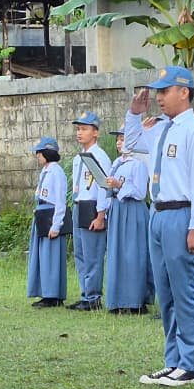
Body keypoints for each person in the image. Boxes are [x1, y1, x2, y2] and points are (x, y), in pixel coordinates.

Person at [125, 66, 194, 387]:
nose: (159, 98)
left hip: (182, 214)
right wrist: (135, 114)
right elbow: (131, 143)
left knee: (184, 291)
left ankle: (190, 364)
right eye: (157, 92)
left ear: (184, 92)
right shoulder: (164, 128)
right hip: (159, 215)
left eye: (165, 92)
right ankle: (173, 360)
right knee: (166, 293)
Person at [103, 128, 151, 314]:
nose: (119, 143)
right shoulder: (116, 163)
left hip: (131, 210)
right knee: (117, 254)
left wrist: (120, 185)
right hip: (117, 208)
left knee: (133, 254)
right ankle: (118, 299)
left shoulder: (137, 164)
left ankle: (135, 300)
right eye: (118, 139)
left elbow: (140, 192)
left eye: (123, 139)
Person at [68, 111, 112, 311]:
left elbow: (105, 186)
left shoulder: (99, 156)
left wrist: (101, 215)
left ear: (96, 133)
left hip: (93, 207)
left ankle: (93, 297)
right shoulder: (80, 158)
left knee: (92, 254)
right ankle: (85, 293)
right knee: (80, 253)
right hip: (79, 206)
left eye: (84, 129)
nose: (80, 133)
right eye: (78, 129)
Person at [27, 136, 69, 309]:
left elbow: (60, 200)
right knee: (42, 256)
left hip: (51, 217)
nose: (37, 156)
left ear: (47, 153)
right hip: (42, 215)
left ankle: (53, 295)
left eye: (39, 153)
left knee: (51, 257)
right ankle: (45, 292)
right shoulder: (46, 171)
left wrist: (56, 224)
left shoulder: (56, 172)